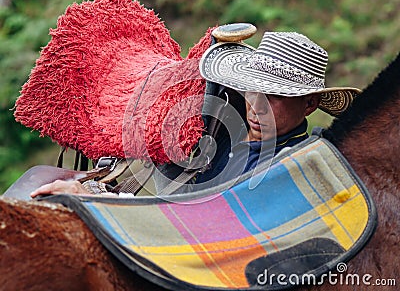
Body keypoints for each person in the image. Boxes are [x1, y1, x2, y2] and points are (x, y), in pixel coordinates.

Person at [30, 31, 360, 197]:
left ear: (309, 104)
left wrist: (91, 201)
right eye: (252, 89)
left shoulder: (294, 166)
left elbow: (201, 221)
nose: (255, 105)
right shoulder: (218, 130)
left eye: (274, 97)